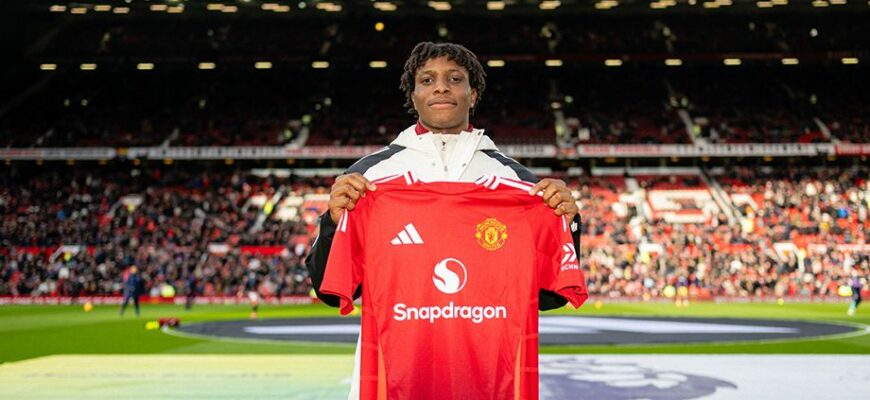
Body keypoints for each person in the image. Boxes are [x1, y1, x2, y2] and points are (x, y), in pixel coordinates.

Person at [304, 42, 582, 400]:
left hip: (490, 384)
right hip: (395, 385)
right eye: (427, 80)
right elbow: (329, 291)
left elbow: (549, 297)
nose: (440, 88)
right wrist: (333, 222)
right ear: (413, 95)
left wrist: (568, 223)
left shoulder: (520, 184)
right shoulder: (369, 178)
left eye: (454, 79)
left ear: (473, 94)